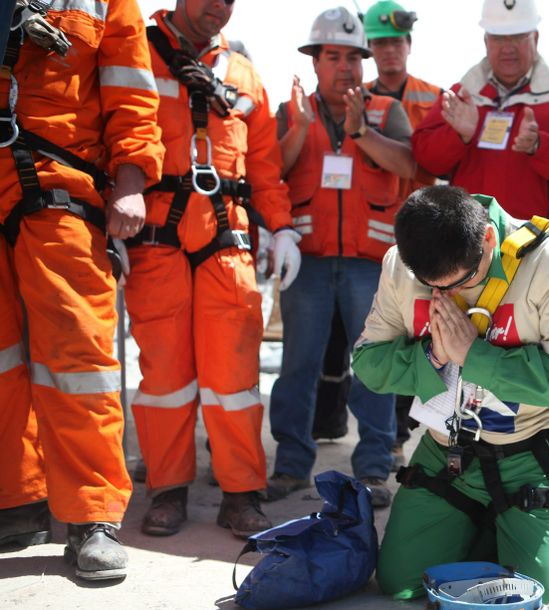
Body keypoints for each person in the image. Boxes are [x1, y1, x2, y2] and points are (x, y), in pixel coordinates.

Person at [352, 185, 549, 610]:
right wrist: (435, 356)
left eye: (465, 281)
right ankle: (497, 527)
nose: (448, 294)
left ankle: (538, 530)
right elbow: (368, 363)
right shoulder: (399, 267)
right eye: (433, 287)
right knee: (400, 581)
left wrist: (475, 356)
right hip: (449, 453)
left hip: (532, 452)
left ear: (487, 239)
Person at [0, 0, 163, 579]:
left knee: (77, 358)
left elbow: (133, 96)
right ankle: (16, 499)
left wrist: (130, 181)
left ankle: (93, 515)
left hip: (57, 186)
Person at [124, 0, 298, 539]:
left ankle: (241, 494)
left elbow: (264, 167)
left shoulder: (245, 74)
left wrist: (283, 227)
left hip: (228, 241)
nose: (219, 8)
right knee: (165, 378)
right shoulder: (138, 55)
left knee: (235, 382)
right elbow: (115, 135)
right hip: (155, 238)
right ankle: (167, 490)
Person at [266, 6, 416, 507]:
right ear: (315, 62)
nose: (347, 67)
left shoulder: (387, 111)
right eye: (334, 57)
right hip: (306, 260)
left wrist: (359, 133)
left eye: (355, 57)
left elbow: (410, 165)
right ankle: (290, 466)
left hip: (368, 265)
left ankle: (374, 470)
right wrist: (298, 130)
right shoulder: (291, 111)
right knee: (299, 365)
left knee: (373, 368)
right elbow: (270, 171)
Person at [313, 0, 443, 465]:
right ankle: (373, 432)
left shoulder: (436, 97)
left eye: (396, 43)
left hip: (425, 232)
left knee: (422, 336)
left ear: (408, 46)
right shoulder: (353, 100)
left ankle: (407, 429)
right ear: (370, 48)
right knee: (373, 337)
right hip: (376, 236)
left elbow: (436, 160)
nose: (389, 52)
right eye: (381, 44)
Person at [411, 0, 549, 226]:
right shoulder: (461, 96)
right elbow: (425, 159)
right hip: (470, 242)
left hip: (536, 242)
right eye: (499, 38)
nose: (508, 47)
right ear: (486, 41)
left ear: (535, 38)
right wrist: (458, 136)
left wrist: (539, 145)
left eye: (519, 36)